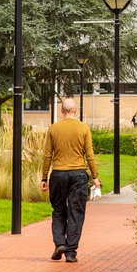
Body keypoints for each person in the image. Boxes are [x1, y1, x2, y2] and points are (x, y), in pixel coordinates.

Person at [41, 98, 100, 263]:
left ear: (62, 111)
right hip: (78, 175)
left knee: (58, 210)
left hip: (58, 174)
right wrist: (95, 177)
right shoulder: (83, 128)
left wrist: (44, 177)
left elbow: (47, 155)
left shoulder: (54, 128)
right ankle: (71, 252)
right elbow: (89, 155)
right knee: (76, 212)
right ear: (76, 111)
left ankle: (60, 243)